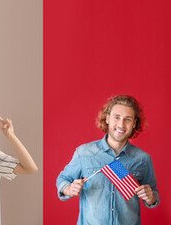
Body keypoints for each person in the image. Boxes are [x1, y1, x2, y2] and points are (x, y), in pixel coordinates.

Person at [56, 95, 159, 224]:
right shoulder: (84, 153)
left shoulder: (143, 159)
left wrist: (150, 197)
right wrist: (69, 189)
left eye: (127, 119)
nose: (121, 124)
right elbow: (62, 179)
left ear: (134, 124)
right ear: (108, 118)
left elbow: (153, 196)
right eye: (117, 117)